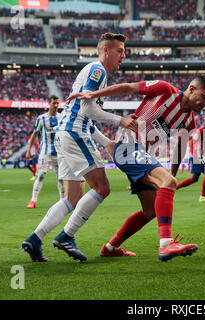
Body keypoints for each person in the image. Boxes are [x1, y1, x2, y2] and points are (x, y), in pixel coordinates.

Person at [66, 74, 205, 262]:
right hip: (127, 147)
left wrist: (172, 176)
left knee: (151, 211)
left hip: (141, 155)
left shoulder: (189, 122)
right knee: (167, 183)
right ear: (192, 89)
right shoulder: (164, 89)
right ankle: (166, 244)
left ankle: (111, 247)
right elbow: (129, 87)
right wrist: (94, 94)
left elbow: (180, 148)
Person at [22, 33, 138, 262]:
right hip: (74, 135)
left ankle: (35, 239)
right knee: (102, 187)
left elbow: (82, 114)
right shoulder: (99, 71)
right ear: (106, 50)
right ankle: (67, 236)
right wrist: (119, 120)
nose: (123, 56)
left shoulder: (91, 70)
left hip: (65, 135)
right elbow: (87, 112)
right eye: (120, 51)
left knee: (73, 198)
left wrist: (106, 142)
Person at [25, 95, 65, 209]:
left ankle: (62, 200)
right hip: (45, 151)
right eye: (54, 103)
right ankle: (33, 200)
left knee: (61, 177)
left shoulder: (61, 117)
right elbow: (34, 135)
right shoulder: (41, 118)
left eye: (58, 103)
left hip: (59, 151)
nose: (56, 106)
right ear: (49, 104)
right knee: (41, 174)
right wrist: (29, 150)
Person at [175, 114, 205, 203]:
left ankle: (174, 188)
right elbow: (192, 144)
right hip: (196, 156)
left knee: (195, 179)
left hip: (201, 156)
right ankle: (202, 197)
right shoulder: (201, 131)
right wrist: (197, 158)